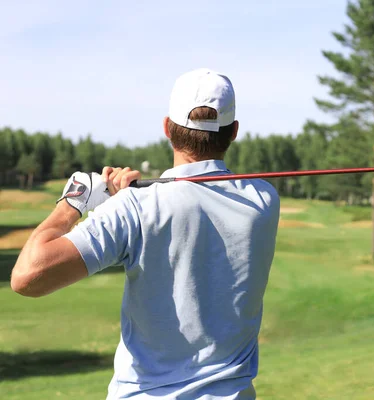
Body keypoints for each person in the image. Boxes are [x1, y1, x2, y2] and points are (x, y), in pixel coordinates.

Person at [11, 68, 281, 399]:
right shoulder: (264, 200)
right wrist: (127, 202)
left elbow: (28, 277)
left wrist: (74, 202)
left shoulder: (136, 207)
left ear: (167, 127)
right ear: (234, 131)